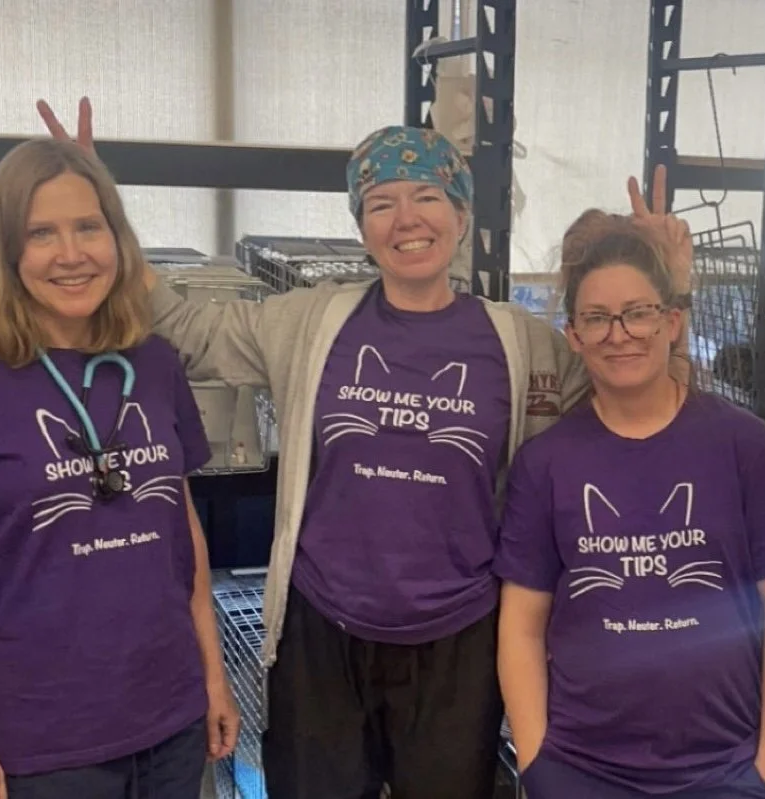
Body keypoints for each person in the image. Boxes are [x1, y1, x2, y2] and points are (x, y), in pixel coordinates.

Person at [37, 99, 695, 798]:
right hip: (322, 636)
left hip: (460, 640)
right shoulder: (310, 322)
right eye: (381, 203)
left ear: (462, 217)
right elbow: (185, 329)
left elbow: (650, 401)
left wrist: (670, 281)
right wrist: (101, 211)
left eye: (427, 197)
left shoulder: (520, 343)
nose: (406, 219)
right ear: (362, 228)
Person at [0, 137, 240, 799]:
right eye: (41, 233)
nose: (71, 253)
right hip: (41, 735)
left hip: (169, 714)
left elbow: (182, 531)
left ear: (118, 239)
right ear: (7, 251)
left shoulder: (156, 362)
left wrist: (212, 676)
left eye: (88, 227)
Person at [494, 212, 765, 799]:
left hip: (723, 769)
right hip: (580, 771)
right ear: (574, 335)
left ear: (672, 321)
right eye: (597, 318)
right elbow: (521, 622)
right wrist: (538, 760)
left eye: (638, 313)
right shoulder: (546, 462)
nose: (619, 334)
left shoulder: (742, 443)